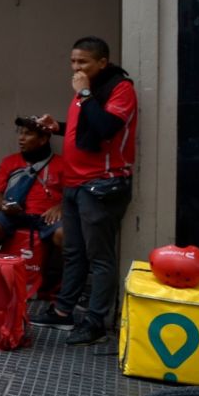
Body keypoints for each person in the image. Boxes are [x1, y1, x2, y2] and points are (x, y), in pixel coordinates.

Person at [30, 36, 137, 346]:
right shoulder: (86, 93)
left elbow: (106, 128)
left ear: (101, 63)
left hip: (101, 184)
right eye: (73, 62)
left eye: (83, 62)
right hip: (75, 183)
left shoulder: (119, 88)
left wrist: (84, 93)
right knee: (74, 251)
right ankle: (64, 312)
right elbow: (86, 128)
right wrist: (58, 127)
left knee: (100, 256)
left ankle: (96, 322)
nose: (76, 68)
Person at [0, 117, 65, 293]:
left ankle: (53, 284)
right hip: (14, 214)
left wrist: (60, 207)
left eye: (28, 134)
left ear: (43, 139)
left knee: (65, 235)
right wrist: (3, 206)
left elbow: (73, 194)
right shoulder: (10, 162)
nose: (21, 138)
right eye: (20, 133)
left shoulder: (61, 164)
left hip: (46, 217)